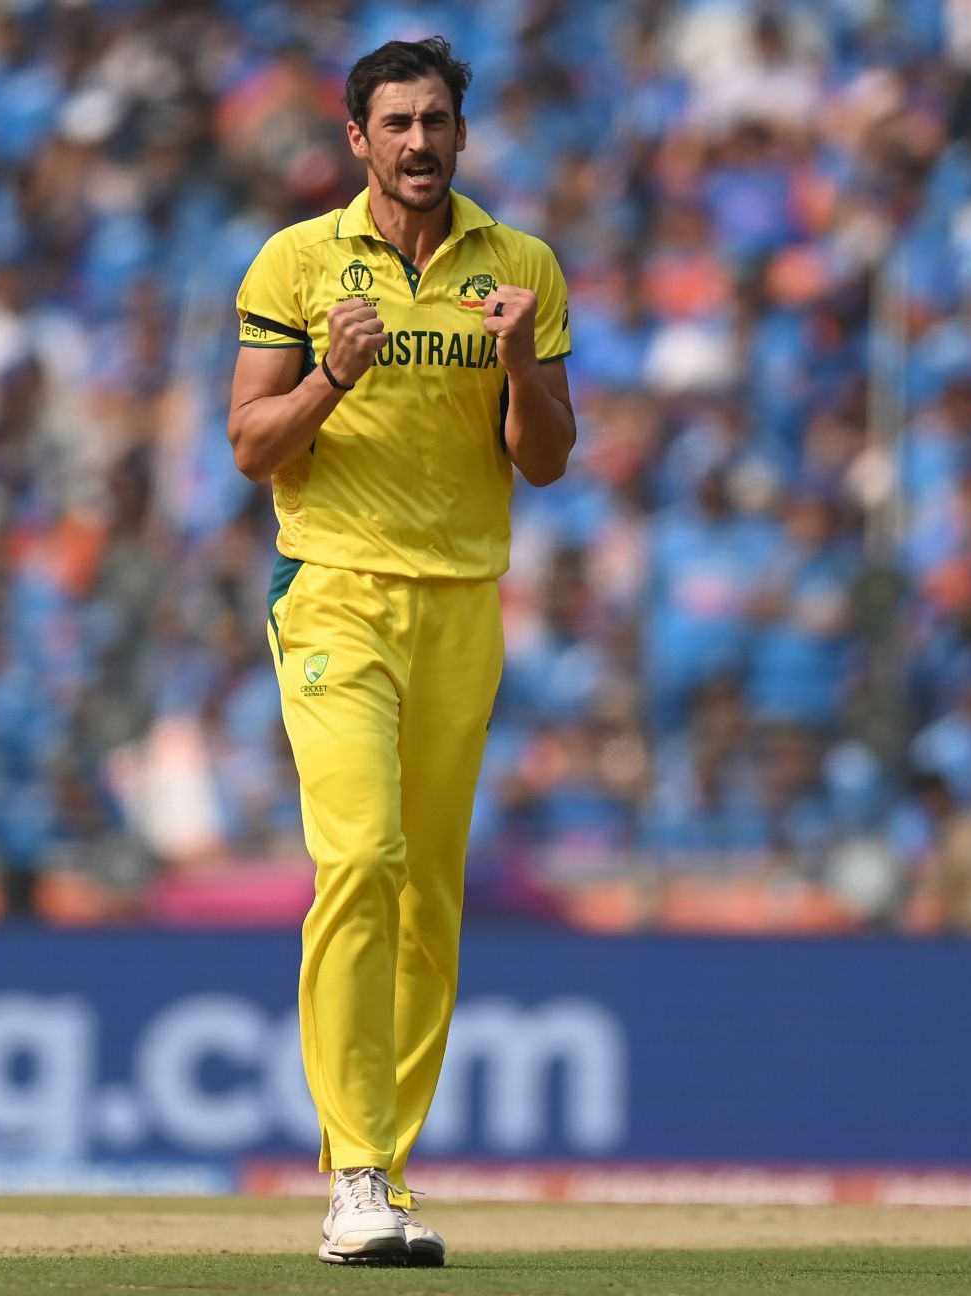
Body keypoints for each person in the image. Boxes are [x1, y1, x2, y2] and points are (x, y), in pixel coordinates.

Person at [225, 37, 575, 1266]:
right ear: (357, 140)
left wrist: (523, 359)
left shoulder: (520, 267)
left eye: (437, 120)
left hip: (464, 602)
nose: (419, 142)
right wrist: (331, 375)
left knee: (429, 901)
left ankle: (387, 1171)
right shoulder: (299, 262)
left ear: (461, 135)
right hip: (334, 594)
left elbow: (544, 459)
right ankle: (355, 1171)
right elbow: (253, 445)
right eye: (397, 124)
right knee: (361, 857)